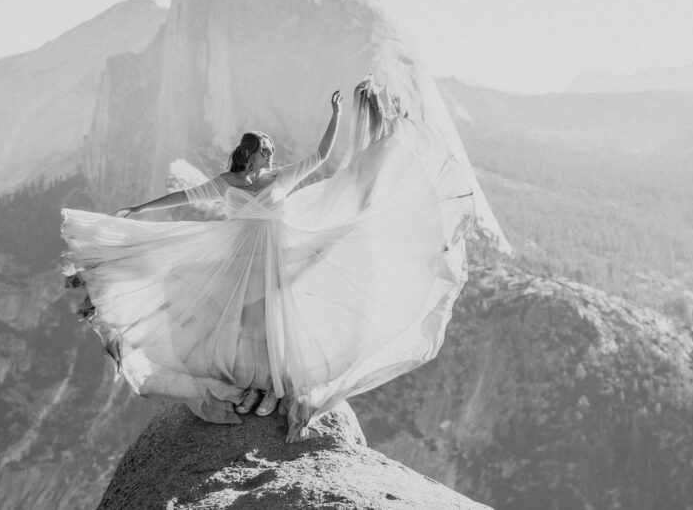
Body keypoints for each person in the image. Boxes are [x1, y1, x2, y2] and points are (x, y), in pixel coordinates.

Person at [61, 78, 473, 441]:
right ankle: (252, 387)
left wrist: (336, 114)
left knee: (266, 321)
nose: (272, 156)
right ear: (250, 154)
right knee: (236, 319)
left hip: (276, 258)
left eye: (272, 151)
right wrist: (140, 208)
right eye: (266, 151)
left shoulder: (280, 178)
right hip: (237, 259)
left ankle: (272, 390)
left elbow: (320, 157)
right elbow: (186, 197)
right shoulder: (229, 183)